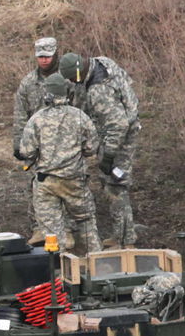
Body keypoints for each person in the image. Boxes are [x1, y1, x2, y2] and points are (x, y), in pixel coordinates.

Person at [59, 51, 142, 247]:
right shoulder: (101, 62)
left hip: (121, 136)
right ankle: (123, 235)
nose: (72, 82)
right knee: (112, 184)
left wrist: (109, 156)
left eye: (72, 78)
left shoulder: (98, 91)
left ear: (78, 73)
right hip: (123, 123)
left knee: (115, 186)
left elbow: (118, 125)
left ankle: (126, 240)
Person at [18, 73, 103, 254]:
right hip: (75, 179)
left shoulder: (37, 119)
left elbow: (26, 151)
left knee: (52, 231)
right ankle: (98, 263)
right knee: (86, 221)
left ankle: (60, 270)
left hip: (47, 182)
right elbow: (92, 147)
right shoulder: (80, 116)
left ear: (46, 94)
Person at [12, 37, 60, 156]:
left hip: (63, 142)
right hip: (37, 143)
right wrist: (18, 143)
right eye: (41, 57)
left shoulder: (67, 79)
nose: (44, 60)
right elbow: (21, 114)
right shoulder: (28, 82)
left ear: (55, 55)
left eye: (48, 57)